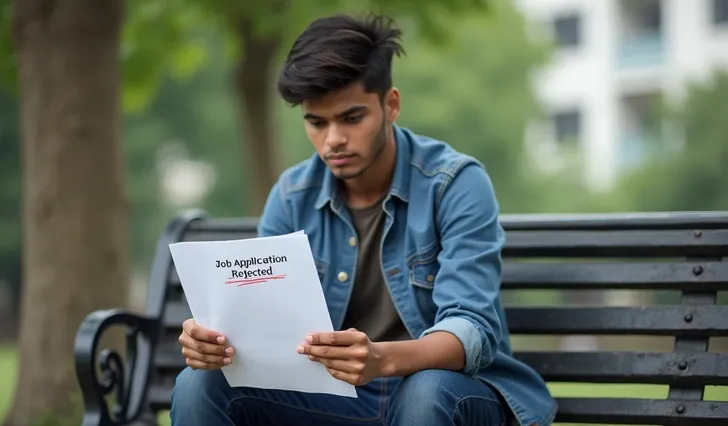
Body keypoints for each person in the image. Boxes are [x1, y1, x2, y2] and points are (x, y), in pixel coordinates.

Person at [170, 12, 557, 426]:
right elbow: (264, 327)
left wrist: (382, 359)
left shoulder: (454, 183)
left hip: (450, 394)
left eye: (351, 118)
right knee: (199, 384)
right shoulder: (291, 195)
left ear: (390, 105)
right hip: (339, 397)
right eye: (316, 123)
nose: (333, 139)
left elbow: (472, 330)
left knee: (425, 392)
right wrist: (215, 343)